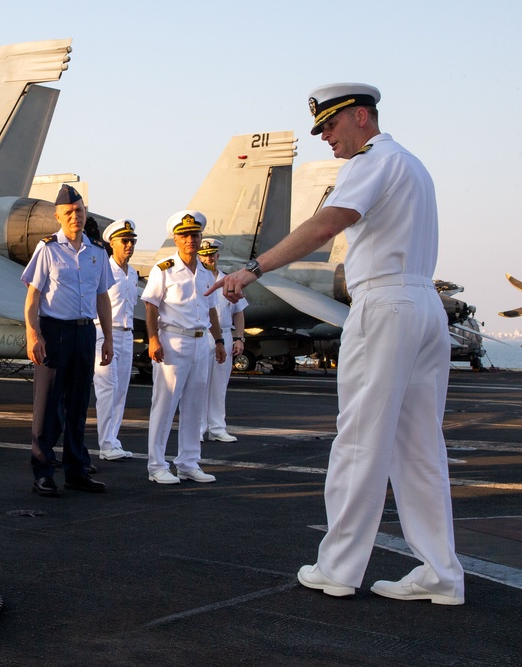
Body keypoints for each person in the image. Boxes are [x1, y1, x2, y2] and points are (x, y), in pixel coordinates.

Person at [212, 83, 465, 604]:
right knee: (420, 448)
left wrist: (256, 267)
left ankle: (339, 568)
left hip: (385, 306)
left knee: (358, 441)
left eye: (330, 124)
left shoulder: (371, 161)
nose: (325, 137)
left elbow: (330, 221)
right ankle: (441, 573)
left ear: (362, 117)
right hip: (423, 305)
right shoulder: (413, 165)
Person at [22, 183, 114, 497]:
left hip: (85, 331)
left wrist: (108, 338)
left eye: (79, 211)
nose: (75, 216)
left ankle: (76, 469)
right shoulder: (47, 249)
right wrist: (32, 334)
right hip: (54, 331)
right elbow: (33, 296)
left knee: (78, 405)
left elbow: (103, 296)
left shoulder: (98, 252)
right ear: (58, 217)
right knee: (46, 406)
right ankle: (43, 471)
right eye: (69, 213)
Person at [142, 210, 226, 485]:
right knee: (165, 405)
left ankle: (188, 463)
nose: (190, 239)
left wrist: (219, 341)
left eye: (194, 234)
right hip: (173, 341)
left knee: (194, 406)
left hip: (202, 342)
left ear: (201, 237)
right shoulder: (164, 269)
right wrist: (153, 339)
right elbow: (151, 306)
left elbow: (212, 310)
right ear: (175, 239)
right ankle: (157, 465)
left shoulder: (205, 273)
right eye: (184, 235)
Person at [93, 219, 139, 461]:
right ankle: (106, 443)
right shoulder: (104, 269)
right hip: (104, 333)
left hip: (127, 334)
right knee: (107, 389)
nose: (129, 245)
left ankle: (113, 439)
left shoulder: (132, 273)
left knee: (121, 390)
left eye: (132, 241)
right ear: (112, 243)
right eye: (125, 241)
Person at [198, 238, 246, 443]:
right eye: (204, 254)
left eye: (212, 254)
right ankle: (198, 428)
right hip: (202, 335)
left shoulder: (229, 281)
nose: (209, 257)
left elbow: (239, 311)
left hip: (225, 334)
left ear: (218, 256)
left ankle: (217, 427)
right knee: (199, 384)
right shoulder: (196, 279)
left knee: (219, 384)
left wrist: (239, 338)